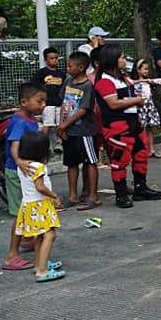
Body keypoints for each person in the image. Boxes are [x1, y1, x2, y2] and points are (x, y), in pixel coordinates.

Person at [93, 45, 161, 208]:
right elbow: (114, 103)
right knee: (120, 159)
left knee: (141, 153)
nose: (124, 60)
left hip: (133, 121)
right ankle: (121, 194)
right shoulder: (104, 80)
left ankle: (140, 188)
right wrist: (137, 100)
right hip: (117, 124)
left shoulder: (123, 77)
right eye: (121, 57)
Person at [1, 83, 45, 272]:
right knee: (22, 213)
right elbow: (14, 145)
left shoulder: (31, 118)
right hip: (18, 171)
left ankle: (27, 240)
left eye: (44, 101)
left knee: (27, 210)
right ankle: (11, 255)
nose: (43, 105)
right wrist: (19, 161)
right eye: (39, 101)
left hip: (27, 171)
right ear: (24, 102)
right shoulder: (19, 122)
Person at [12, 131, 65, 282]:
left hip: (28, 205)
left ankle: (40, 263)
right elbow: (40, 187)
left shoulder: (23, 166)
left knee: (40, 235)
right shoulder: (39, 167)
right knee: (50, 234)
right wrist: (54, 195)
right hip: (40, 205)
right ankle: (42, 270)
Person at [57, 52, 101, 210]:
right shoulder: (68, 81)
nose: (67, 68)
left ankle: (93, 196)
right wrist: (62, 124)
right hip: (70, 130)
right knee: (71, 163)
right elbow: (64, 103)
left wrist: (64, 124)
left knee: (90, 162)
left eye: (70, 65)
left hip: (85, 131)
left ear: (81, 67)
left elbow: (83, 109)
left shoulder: (88, 86)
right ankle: (72, 195)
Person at [132, 58, 161, 158]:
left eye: (147, 69)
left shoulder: (149, 81)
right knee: (140, 129)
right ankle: (142, 150)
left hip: (148, 106)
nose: (146, 71)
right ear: (138, 70)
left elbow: (160, 80)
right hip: (139, 107)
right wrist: (141, 80)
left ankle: (151, 149)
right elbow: (130, 82)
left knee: (149, 129)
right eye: (144, 69)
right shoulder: (134, 82)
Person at [32, 47, 66, 152]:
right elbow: (34, 86)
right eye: (51, 58)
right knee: (48, 124)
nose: (54, 60)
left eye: (56, 58)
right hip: (48, 104)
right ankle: (42, 144)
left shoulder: (61, 74)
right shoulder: (41, 73)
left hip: (59, 103)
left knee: (60, 125)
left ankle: (58, 144)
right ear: (46, 59)